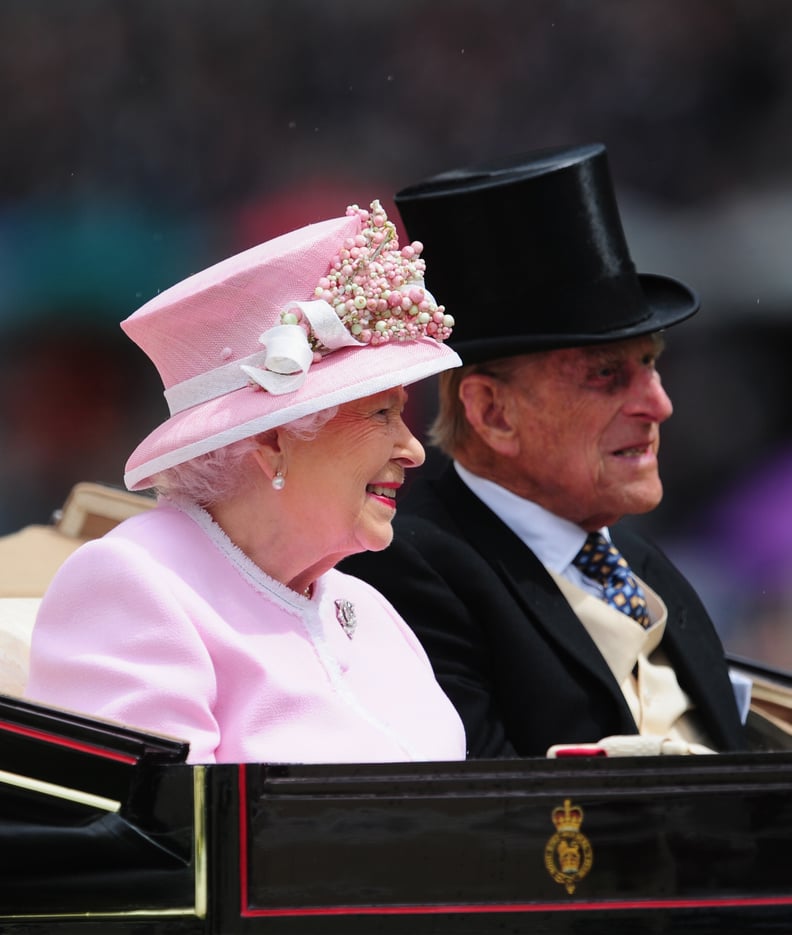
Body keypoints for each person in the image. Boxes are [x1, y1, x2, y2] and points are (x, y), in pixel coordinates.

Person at [342, 144, 748, 758]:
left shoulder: (639, 559)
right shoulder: (405, 564)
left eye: (650, 365)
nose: (658, 405)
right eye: (607, 375)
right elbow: (481, 821)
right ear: (492, 412)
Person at [25, 200, 466, 765]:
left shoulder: (368, 606)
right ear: (274, 441)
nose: (411, 449)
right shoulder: (135, 584)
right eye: (381, 414)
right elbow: (152, 842)